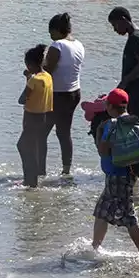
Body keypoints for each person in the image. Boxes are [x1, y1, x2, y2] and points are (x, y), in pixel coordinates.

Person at [91, 88, 139, 257]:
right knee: (101, 210)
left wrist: (98, 132)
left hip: (117, 176)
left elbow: (103, 151)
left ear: (110, 106)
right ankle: (95, 248)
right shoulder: (133, 122)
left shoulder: (111, 125)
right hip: (127, 174)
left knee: (129, 217)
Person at [43, 12, 85, 175]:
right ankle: (66, 170)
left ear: (57, 30)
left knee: (41, 133)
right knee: (64, 132)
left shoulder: (57, 46)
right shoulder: (79, 45)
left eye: (51, 32)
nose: (50, 36)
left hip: (57, 95)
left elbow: (47, 71)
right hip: (74, 92)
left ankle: (40, 171)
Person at [107, 7, 139, 130]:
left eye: (115, 25)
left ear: (123, 20)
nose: (115, 30)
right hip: (136, 93)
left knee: (134, 131)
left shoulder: (136, 38)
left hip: (136, 94)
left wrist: (125, 81)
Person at [17, 44, 54, 188]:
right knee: (33, 146)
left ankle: (30, 181)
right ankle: (33, 178)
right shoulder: (48, 77)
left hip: (31, 117)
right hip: (43, 117)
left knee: (24, 146)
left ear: (29, 64)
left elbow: (22, 99)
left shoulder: (34, 80)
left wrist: (28, 79)